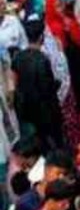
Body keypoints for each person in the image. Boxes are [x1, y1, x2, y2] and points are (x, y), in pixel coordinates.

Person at [13, 19, 63, 149]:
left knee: (41, 141)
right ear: (41, 37)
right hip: (47, 109)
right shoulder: (42, 59)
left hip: (29, 110)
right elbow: (49, 88)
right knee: (57, 140)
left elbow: (16, 83)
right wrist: (58, 83)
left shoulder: (18, 58)